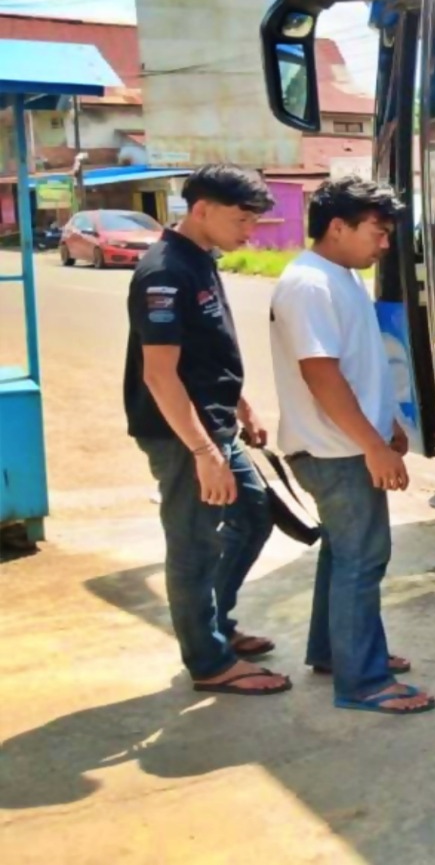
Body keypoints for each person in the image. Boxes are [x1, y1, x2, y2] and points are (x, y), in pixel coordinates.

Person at [268, 175, 433, 716]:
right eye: (377, 232)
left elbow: (354, 369)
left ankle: (338, 652)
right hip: (335, 452)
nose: (384, 245)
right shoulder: (310, 284)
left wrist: (387, 427)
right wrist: (374, 446)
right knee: (364, 559)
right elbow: (321, 374)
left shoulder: (335, 276)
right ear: (337, 227)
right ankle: (363, 680)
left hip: (346, 444)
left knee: (344, 553)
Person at [125, 163, 286, 696]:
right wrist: (202, 450)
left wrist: (241, 407)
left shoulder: (200, 260)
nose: (248, 232)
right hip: (182, 437)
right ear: (201, 209)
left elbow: (205, 350)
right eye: (242, 220)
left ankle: (215, 625)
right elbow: (160, 373)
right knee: (194, 543)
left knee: (254, 513)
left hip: (213, 427)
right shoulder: (165, 272)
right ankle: (209, 662)